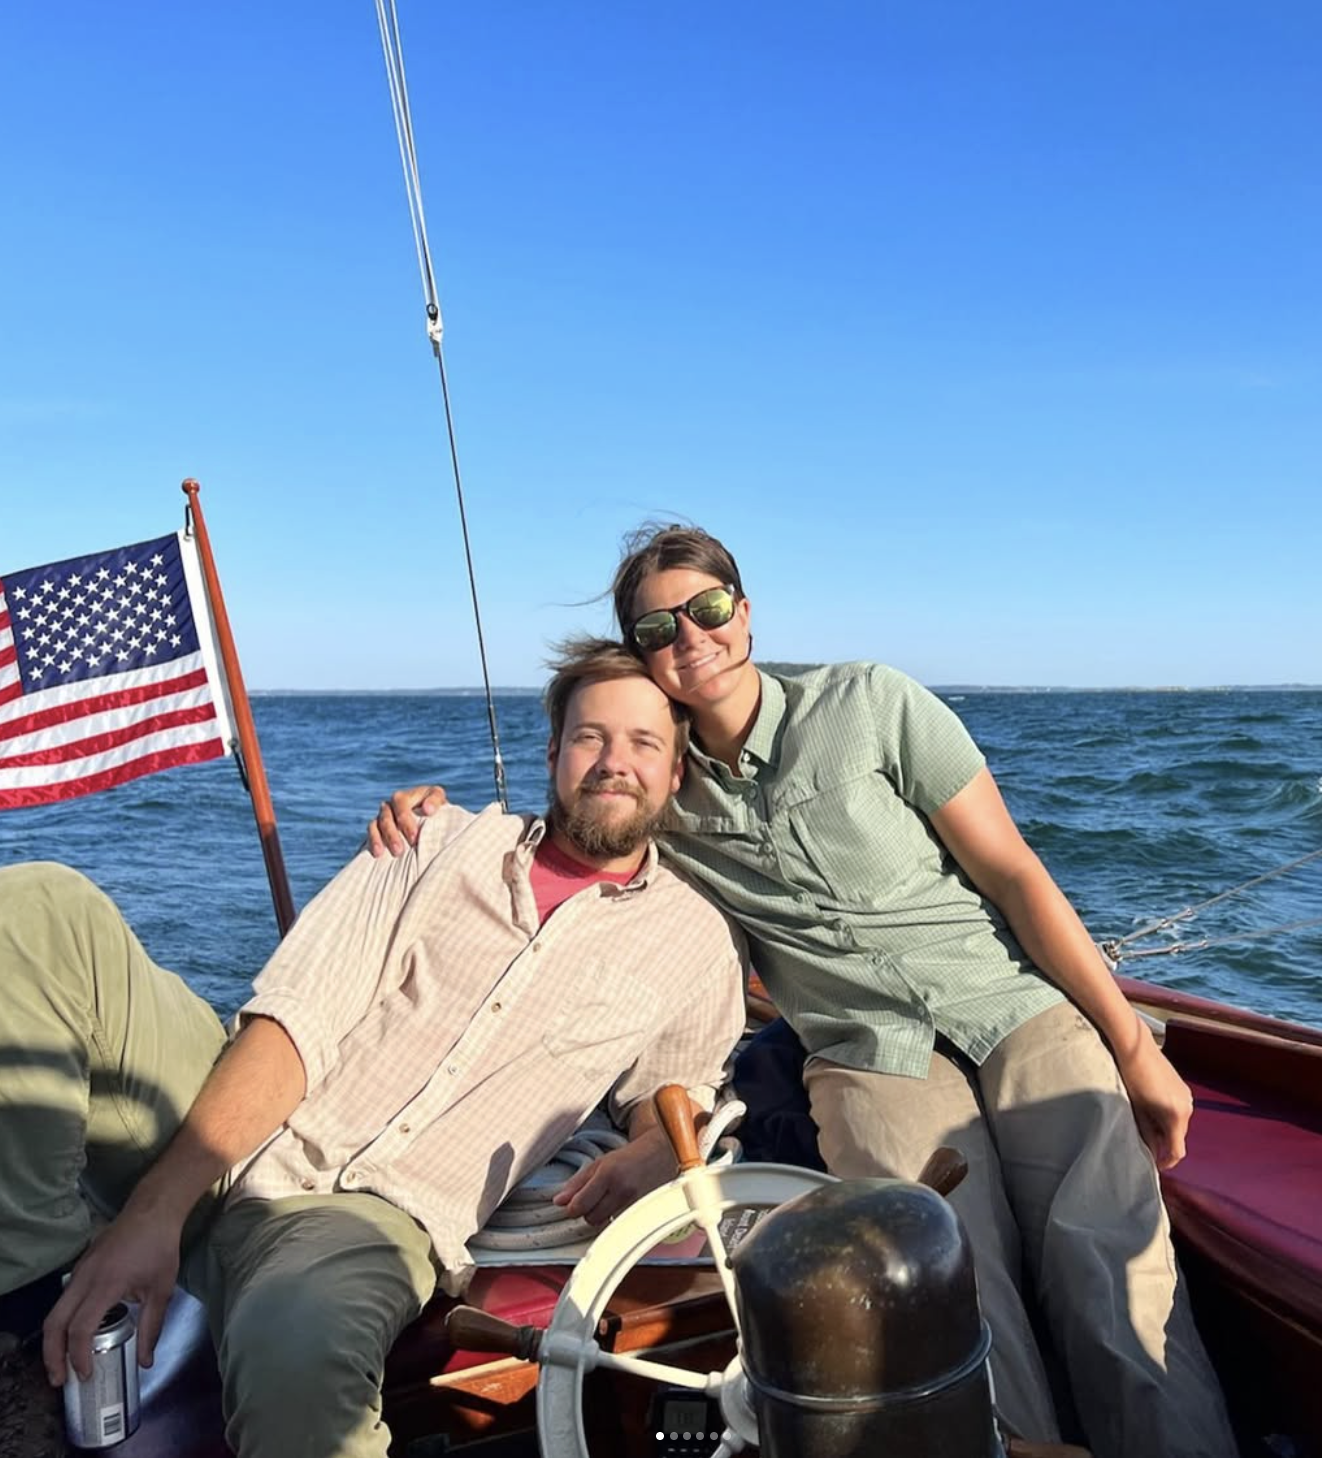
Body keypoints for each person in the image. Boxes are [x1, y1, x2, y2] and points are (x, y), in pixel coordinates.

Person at [372, 524, 1237, 1458]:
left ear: (743, 613)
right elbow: (587, 812)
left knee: (1114, 1264)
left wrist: (1133, 1046)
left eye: (705, 610)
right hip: (866, 1057)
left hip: (1014, 1007)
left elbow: (1016, 875)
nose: (689, 637)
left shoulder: (871, 701)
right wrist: (432, 813)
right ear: (643, 654)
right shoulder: (669, 797)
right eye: (658, 628)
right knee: (942, 1283)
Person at [0, 639, 747, 1458]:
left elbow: (674, 1097)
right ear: (553, 753)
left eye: (644, 743)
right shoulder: (432, 840)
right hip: (225, 1099)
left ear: (676, 772)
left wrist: (650, 1153)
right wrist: (158, 1209)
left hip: (364, 1214)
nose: (614, 762)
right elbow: (299, 1017)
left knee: (301, 1352)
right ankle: (22, 1317)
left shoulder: (694, 942)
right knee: (42, 911)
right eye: (590, 736)